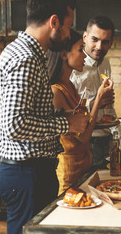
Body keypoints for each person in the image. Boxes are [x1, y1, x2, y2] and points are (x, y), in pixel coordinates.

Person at [0, 0, 90, 233]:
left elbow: (30, 114)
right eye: (68, 27)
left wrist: (63, 114)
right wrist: (66, 124)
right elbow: (16, 125)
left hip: (30, 172)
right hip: (26, 174)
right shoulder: (25, 58)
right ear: (54, 22)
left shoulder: (27, 53)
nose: (69, 35)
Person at [47, 29, 114, 194]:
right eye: (79, 49)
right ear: (64, 54)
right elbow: (83, 136)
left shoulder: (69, 86)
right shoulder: (56, 91)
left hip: (83, 167)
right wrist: (98, 98)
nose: (84, 55)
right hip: (68, 172)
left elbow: (83, 123)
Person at [70, 16, 121, 166]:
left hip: (106, 140)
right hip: (83, 141)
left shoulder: (105, 63)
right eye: (95, 39)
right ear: (85, 37)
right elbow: (67, 113)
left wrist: (119, 132)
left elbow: (108, 104)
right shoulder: (73, 67)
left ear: (111, 42)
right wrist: (94, 102)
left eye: (105, 42)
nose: (99, 46)